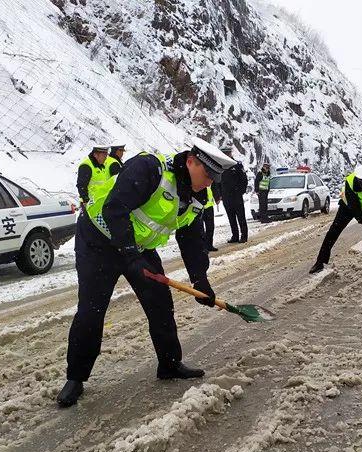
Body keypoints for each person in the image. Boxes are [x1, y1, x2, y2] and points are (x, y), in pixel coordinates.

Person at [55, 138, 236, 408]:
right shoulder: (150, 169)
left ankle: (170, 364)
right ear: (190, 162)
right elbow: (114, 209)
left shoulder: (199, 197)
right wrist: (130, 255)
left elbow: (192, 239)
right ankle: (75, 378)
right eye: (207, 174)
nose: (209, 182)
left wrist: (201, 280)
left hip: (137, 246)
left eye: (214, 178)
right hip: (98, 239)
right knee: (92, 309)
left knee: (160, 303)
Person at [310, 164, 362, 274]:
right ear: (358, 180)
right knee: (333, 232)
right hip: (348, 207)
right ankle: (320, 262)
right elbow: (355, 209)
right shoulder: (350, 182)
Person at [218, 146, 249, 243]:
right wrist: (220, 194)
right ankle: (235, 236)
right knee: (231, 217)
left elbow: (244, 179)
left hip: (236, 195)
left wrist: (240, 191)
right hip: (226, 196)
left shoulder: (237, 165)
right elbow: (217, 182)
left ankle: (244, 236)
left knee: (241, 217)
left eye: (227, 153)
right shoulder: (220, 166)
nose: (226, 155)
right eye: (224, 153)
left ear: (230, 153)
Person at [76, 145, 112, 209]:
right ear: (95, 155)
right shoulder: (86, 166)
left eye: (106, 155)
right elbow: (81, 185)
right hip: (89, 203)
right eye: (104, 155)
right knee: (86, 219)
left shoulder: (101, 166)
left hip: (99, 202)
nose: (106, 158)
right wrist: (86, 200)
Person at [200, 185, 218, 252]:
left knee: (210, 227)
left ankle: (209, 245)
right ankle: (203, 247)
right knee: (200, 228)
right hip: (200, 206)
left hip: (209, 206)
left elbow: (213, 187)